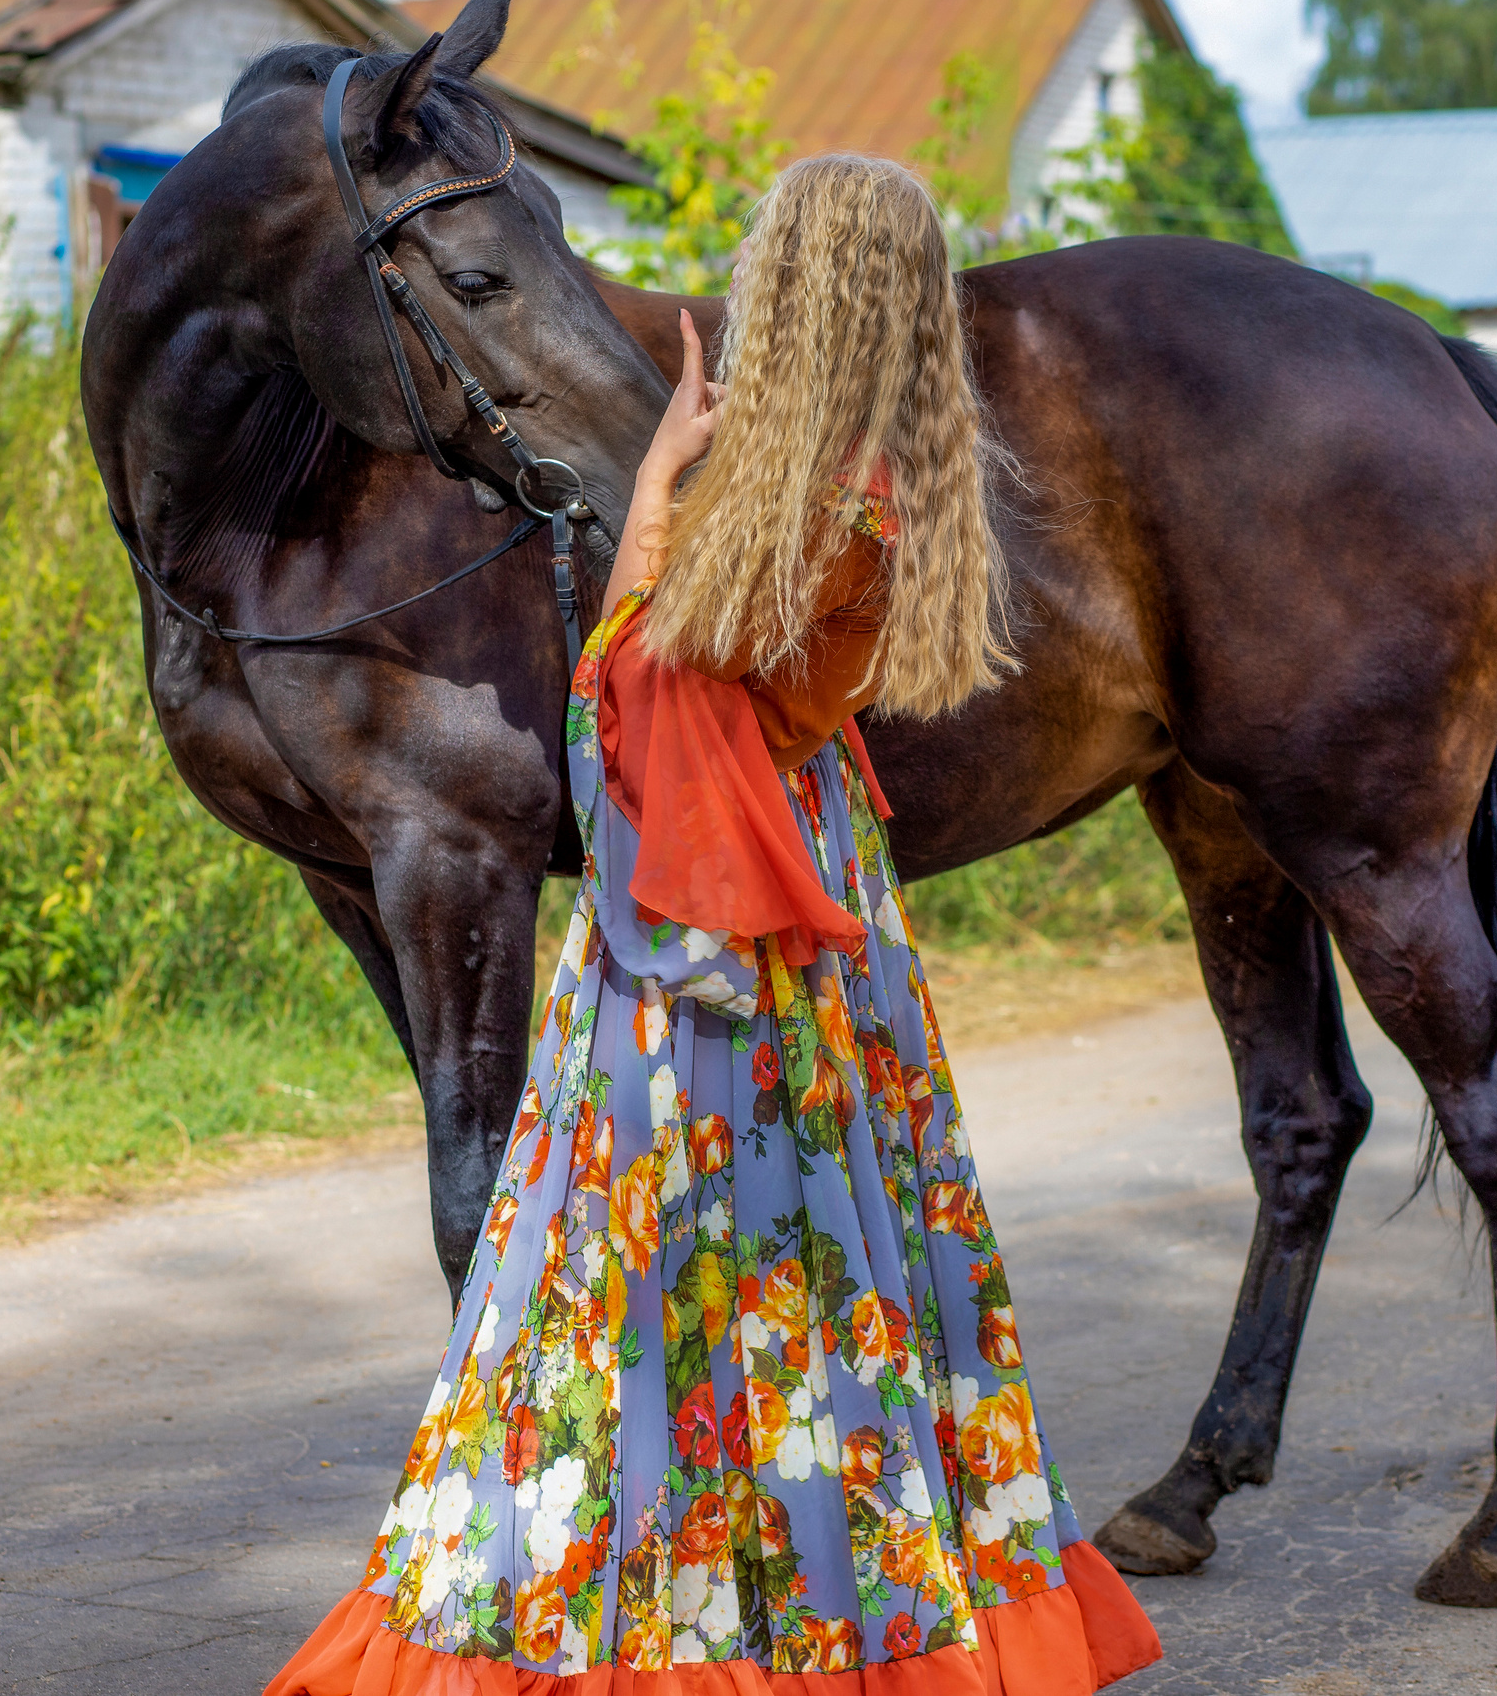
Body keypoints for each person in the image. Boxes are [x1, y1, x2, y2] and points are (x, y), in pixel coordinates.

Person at [267, 154, 1161, 1692]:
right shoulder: (886, 476)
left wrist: (665, 479)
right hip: (807, 883)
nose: (745, 278)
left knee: (654, 1256)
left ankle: (673, 1609)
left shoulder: (799, 494)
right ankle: (818, 1583)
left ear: (797, 291)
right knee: (827, 1254)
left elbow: (626, 679)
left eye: (769, 261)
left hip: (709, 920)